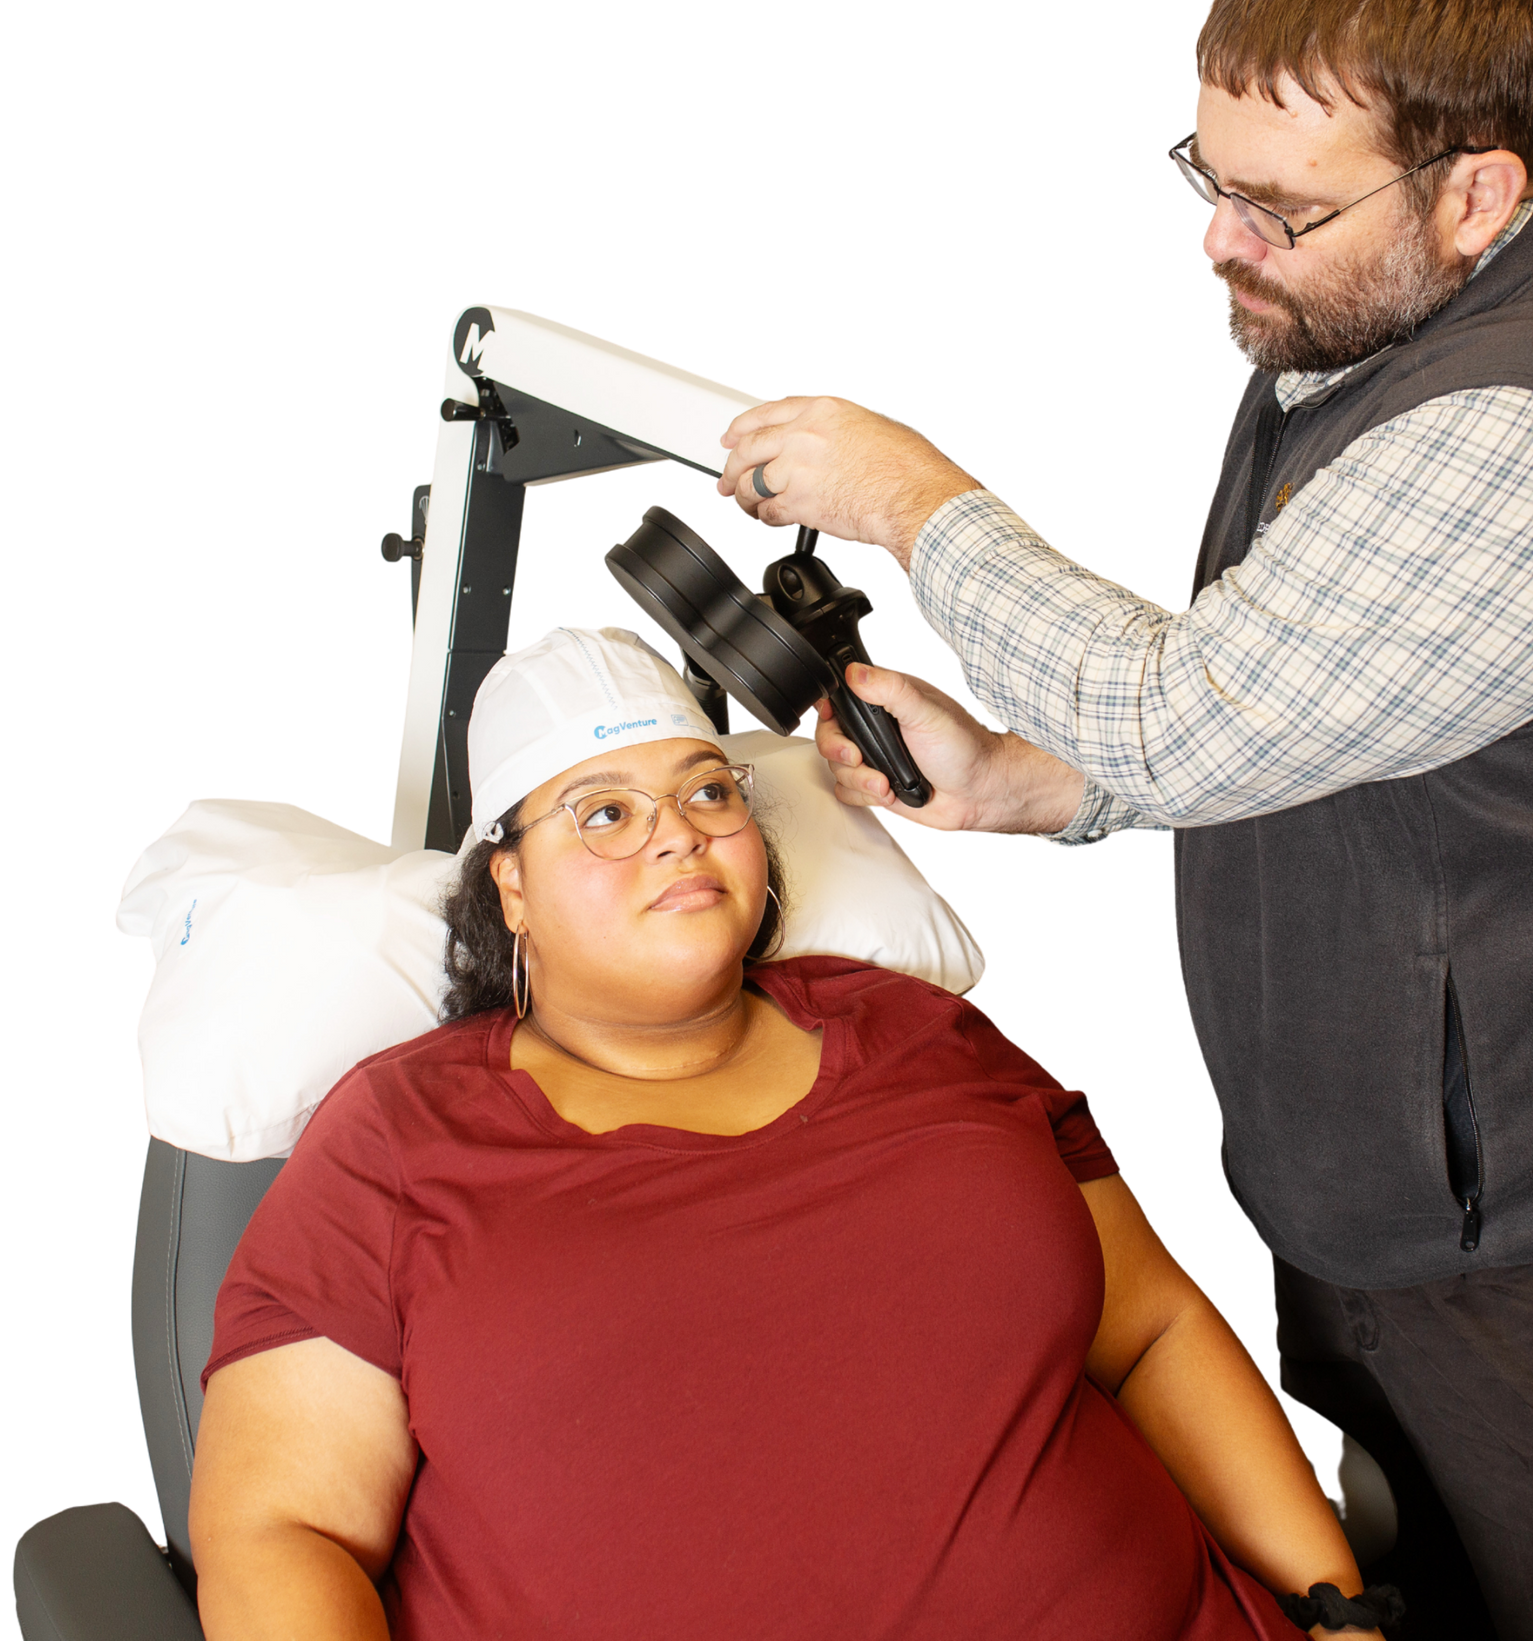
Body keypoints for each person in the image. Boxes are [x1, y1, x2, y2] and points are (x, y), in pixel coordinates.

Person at [707, 0, 1533, 1640]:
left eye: (1278, 209)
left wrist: (911, 502)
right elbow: (1313, 700)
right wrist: (1048, 785)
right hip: (1394, 1224)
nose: (1222, 242)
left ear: (1478, 191)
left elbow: (1182, 710)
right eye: (1208, 183)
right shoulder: (1361, 318)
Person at [187, 625, 1390, 1641]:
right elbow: (279, 1525)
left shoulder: (923, 1036)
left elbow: (1153, 1331)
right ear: (509, 886)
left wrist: (1334, 1612)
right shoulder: (399, 1138)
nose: (676, 832)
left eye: (708, 791)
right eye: (603, 813)